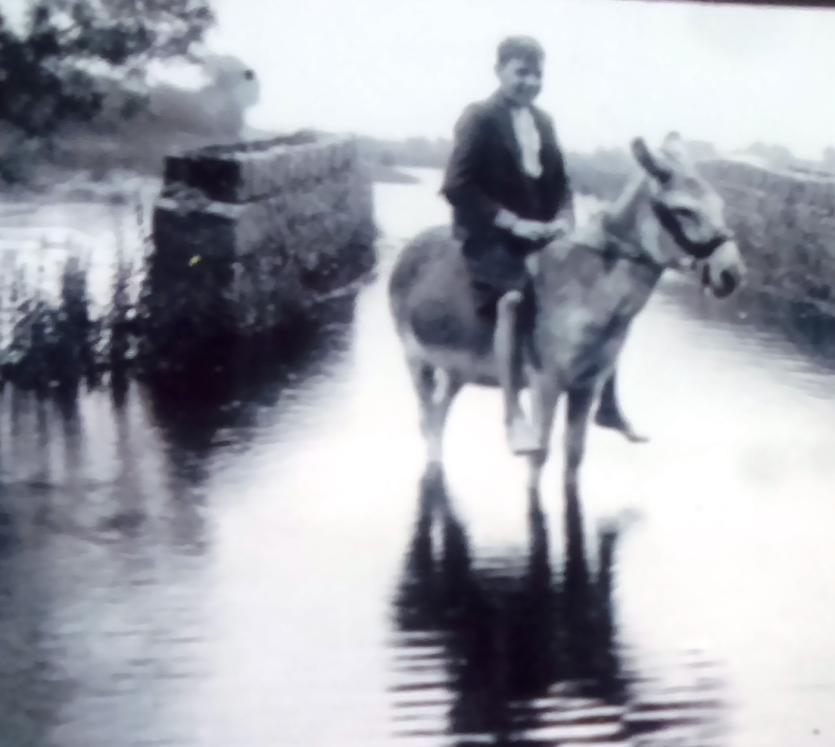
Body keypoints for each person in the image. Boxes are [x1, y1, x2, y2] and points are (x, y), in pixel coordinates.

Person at [441, 35, 644, 455]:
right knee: (513, 298)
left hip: (540, 232)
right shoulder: (478, 118)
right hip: (489, 234)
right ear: (499, 71)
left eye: (537, 74)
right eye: (521, 72)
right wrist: (513, 223)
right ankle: (514, 414)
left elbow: (560, 184)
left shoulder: (544, 122)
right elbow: (457, 186)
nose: (530, 82)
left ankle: (607, 403)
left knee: (603, 292)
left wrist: (563, 221)